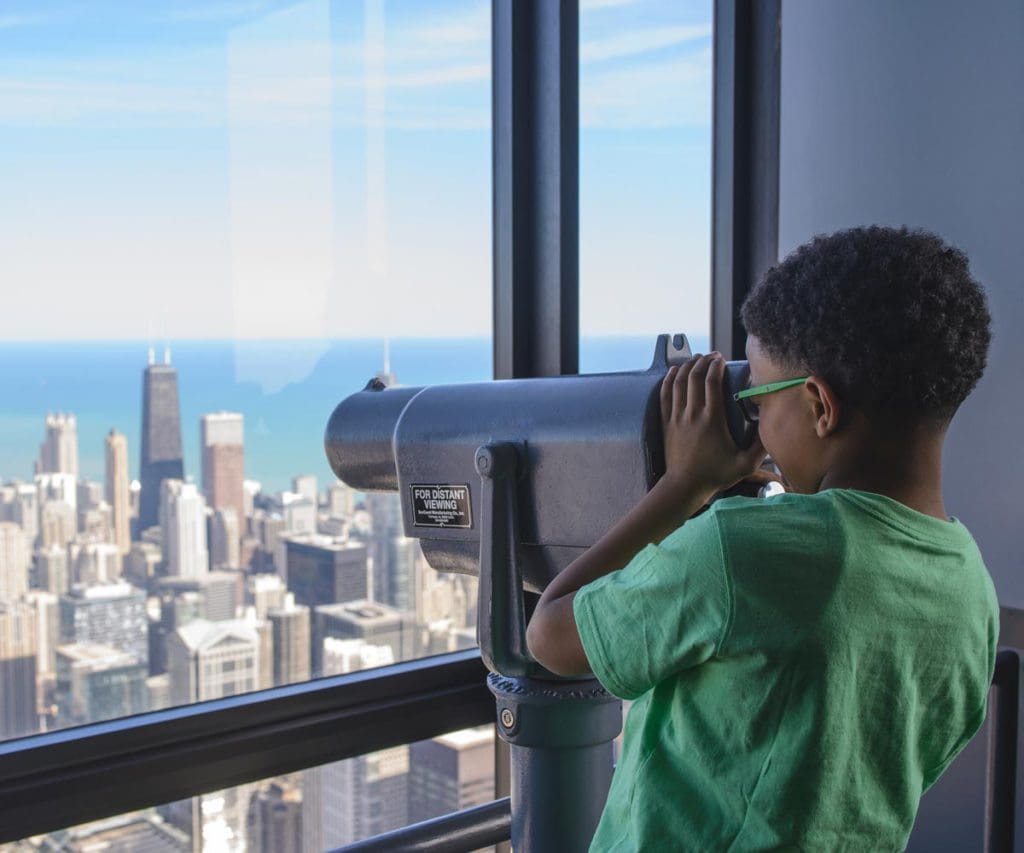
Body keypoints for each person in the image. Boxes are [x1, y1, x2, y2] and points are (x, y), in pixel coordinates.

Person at [526, 226, 999, 851]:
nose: (755, 424)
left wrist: (684, 484)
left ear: (820, 407)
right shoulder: (972, 591)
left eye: (757, 399)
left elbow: (551, 638)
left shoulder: (745, 553)